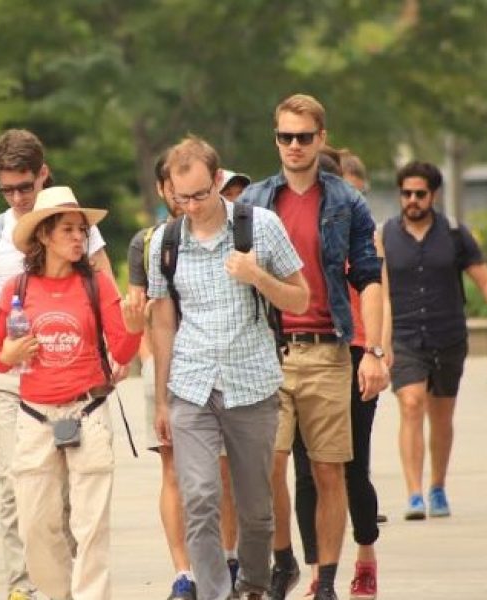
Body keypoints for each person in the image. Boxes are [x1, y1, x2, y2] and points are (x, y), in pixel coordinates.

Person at [238, 94, 388, 600]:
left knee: (329, 470)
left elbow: (369, 277)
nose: (295, 146)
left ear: (321, 139)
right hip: (268, 349)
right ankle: (283, 560)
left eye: (304, 136)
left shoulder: (347, 201)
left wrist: (375, 352)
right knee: (269, 464)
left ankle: (325, 578)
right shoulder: (254, 201)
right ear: (275, 139)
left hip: (328, 349)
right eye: (285, 137)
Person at [150, 135, 310, 600]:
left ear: (219, 181)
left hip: (251, 383)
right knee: (198, 497)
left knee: (256, 509)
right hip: (192, 384)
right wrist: (161, 398)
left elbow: (300, 298)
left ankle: (254, 586)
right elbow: (163, 323)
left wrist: (257, 275)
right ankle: (216, 592)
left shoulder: (260, 227)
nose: (194, 206)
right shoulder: (167, 240)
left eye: (201, 194)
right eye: (183, 198)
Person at [0, 129, 113, 600]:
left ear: (42, 175)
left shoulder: (72, 227)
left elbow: (104, 286)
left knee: (73, 499)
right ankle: (25, 585)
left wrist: (116, 348)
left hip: (77, 377)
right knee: (21, 490)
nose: (17, 197)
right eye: (6, 189)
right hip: (14, 378)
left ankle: (72, 585)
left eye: (24, 186)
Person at [0, 186, 144, 600]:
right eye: (69, 230)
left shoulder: (98, 285)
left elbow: (123, 354)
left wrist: (134, 326)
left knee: (91, 527)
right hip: (35, 416)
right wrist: (9, 351)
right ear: (43, 235)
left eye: (82, 230)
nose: (79, 238)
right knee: (36, 525)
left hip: (88, 411)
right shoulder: (17, 290)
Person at [381, 161, 487, 521]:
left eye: (419, 194)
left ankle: (437, 486)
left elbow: (485, 279)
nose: (412, 200)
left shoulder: (455, 234)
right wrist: (378, 339)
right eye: (406, 193)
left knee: (441, 415)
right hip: (405, 336)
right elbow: (377, 291)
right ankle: (413, 494)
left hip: (447, 335)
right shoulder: (385, 236)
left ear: (433, 195)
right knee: (411, 403)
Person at [289, 148, 387, 600]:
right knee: (307, 472)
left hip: (354, 351)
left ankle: (365, 557)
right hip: (305, 354)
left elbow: (379, 290)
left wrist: (379, 352)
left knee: (352, 467)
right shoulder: (290, 222)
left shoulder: (355, 222)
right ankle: (318, 569)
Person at [127, 151, 198, 599]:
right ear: (161, 189)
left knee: (221, 474)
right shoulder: (147, 242)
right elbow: (137, 321)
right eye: (172, 186)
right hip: (165, 368)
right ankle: (182, 571)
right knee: (173, 472)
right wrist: (137, 322)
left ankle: (225, 561)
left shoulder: (222, 231)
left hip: (217, 365)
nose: (180, 194)